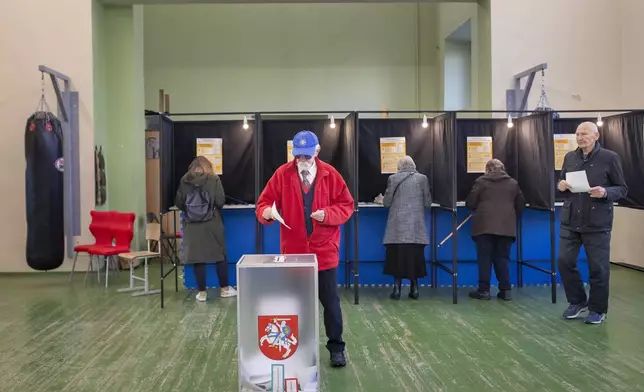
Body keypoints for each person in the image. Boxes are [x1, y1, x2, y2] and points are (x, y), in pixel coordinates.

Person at [256, 130, 354, 367]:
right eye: (298, 156)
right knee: (294, 304)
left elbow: (346, 205)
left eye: (307, 156)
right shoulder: (282, 174)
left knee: (330, 303)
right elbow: (262, 203)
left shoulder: (331, 175)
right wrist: (267, 213)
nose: (302, 161)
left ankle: (336, 348)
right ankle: (294, 348)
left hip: (324, 253)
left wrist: (327, 214)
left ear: (317, 151)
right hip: (294, 254)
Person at [557, 121, 627, 324]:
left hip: (597, 223)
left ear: (596, 136)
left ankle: (598, 309)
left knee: (598, 268)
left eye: (584, 134)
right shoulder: (570, 157)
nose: (580, 137)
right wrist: (560, 184)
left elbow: (622, 188)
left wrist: (606, 192)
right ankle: (578, 301)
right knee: (564, 261)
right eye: (577, 134)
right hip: (571, 221)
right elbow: (562, 181)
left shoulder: (610, 158)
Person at [175, 156, 238, 302]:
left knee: (198, 258)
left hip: (192, 225)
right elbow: (220, 202)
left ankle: (202, 293)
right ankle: (224, 289)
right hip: (212, 223)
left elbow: (179, 203)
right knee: (219, 256)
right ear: (208, 166)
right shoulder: (213, 178)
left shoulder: (184, 180)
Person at [466, 159, 524, 301]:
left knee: (484, 259)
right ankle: (505, 290)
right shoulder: (513, 183)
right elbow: (520, 204)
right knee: (502, 259)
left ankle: (484, 291)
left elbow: (470, 202)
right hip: (506, 227)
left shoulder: (481, 181)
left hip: (484, 226)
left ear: (487, 169)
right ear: (503, 169)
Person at [381, 156, 431, 300]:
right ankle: (414, 289)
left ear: (399, 166)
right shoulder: (423, 179)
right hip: (416, 227)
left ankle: (396, 289)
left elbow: (387, 202)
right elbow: (427, 203)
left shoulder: (393, 178)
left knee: (397, 258)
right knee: (414, 258)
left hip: (397, 227)